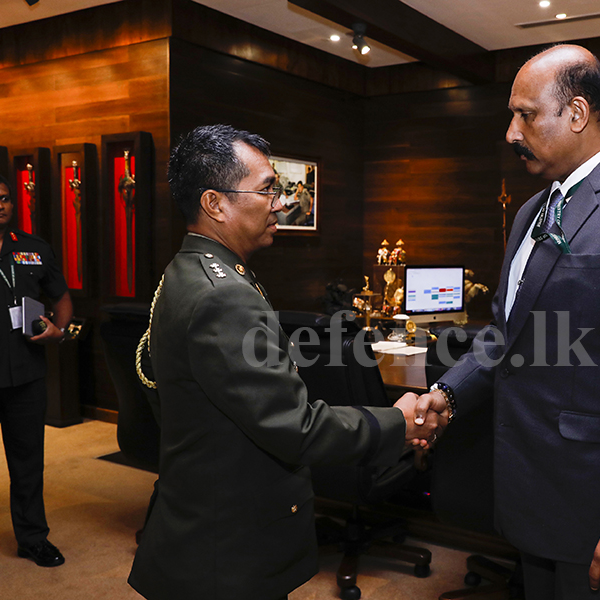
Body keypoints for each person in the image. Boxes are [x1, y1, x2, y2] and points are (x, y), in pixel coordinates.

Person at [415, 45, 600, 599]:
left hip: (598, 507)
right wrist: (447, 393)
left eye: (525, 114)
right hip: (529, 491)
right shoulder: (532, 210)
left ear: (576, 114)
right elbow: (508, 336)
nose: (510, 132)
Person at [127, 124, 447, 600]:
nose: (280, 204)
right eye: (267, 191)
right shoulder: (225, 296)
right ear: (215, 203)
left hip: (201, 512)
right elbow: (295, 427)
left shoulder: (187, 269)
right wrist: (398, 421)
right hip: (227, 548)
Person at [0, 171, 73, 589]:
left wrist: (59, 330)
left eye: (5, 198)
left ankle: (33, 538)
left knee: (28, 465)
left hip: (26, 378)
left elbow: (61, 297)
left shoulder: (33, 249)